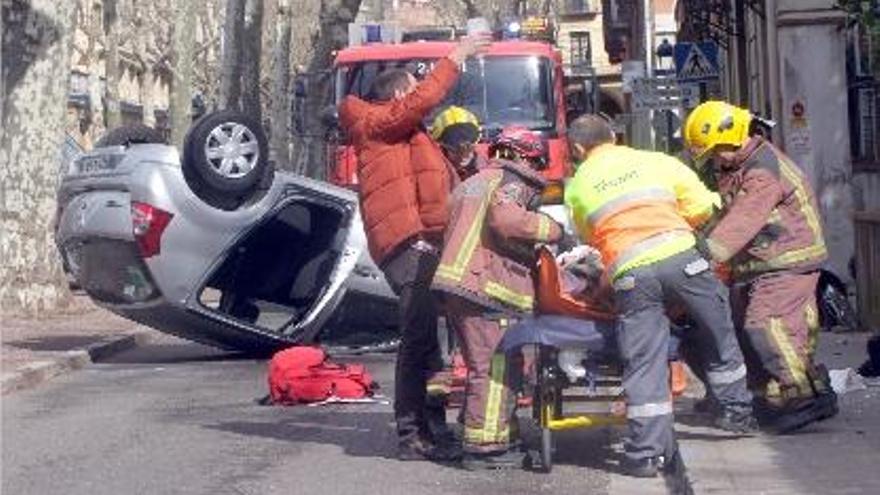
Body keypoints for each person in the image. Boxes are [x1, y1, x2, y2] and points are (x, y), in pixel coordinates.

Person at [564, 115, 756, 478]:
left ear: (577, 149)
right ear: (615, 137)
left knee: (643, 360)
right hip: (683, 260)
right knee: (718, 331)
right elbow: (702, 208)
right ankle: (736, 412)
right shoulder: (657, 161)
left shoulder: (578, 185)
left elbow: (592, 239)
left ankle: (644, 455)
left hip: (631, 273)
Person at [337, 35, 488, 462]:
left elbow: (442, 189)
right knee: (418, 336)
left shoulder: (406, 134)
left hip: (423, 243)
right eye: (413, 89)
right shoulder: (376, 122)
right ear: (400, 95)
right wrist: (455, 58)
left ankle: (433, 424)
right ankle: (411, 434)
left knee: (430, 341)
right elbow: (418, 103)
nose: (422, 97)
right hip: (408, 245)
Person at [683, 100, 838, 433]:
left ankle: (797, 394)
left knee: (765, 324)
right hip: (762, 263)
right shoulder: (740, 167)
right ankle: (771, 395)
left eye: (716, 151)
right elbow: (729, 215)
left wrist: (708, 253)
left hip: (786, 260)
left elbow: (745, 217)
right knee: (743, 328)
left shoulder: (762, 169)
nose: (715, 159)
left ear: (734, 135)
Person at [431, 126, 564, 470]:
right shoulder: (511, 181)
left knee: (482, 363)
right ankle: (486, 448)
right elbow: (507, 221)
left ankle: (489, 429)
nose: (537, 173)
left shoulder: (475, 181)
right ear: (523, 156)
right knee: (495, 366)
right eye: (537, 164)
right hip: (485, 286)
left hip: (460, 285)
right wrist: (553, 229)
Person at [431, 105, 485, 180]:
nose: (463, 152)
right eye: (454, 141)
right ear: (442, 146)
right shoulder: (433, 174)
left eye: (468, 140)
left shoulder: (488, 169)